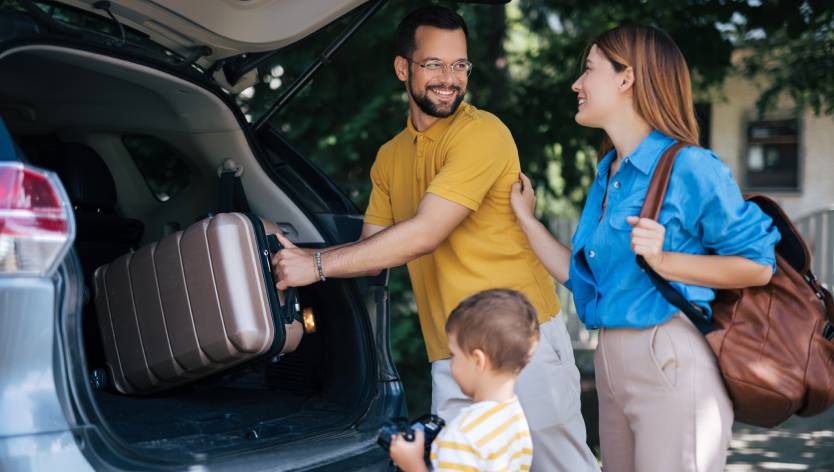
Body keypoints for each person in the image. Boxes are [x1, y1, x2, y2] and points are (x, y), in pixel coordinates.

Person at [271, 6, 599, 471]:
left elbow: (426, 232)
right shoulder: (389, 157)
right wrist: (300, 256)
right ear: (403, 68)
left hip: (520, 343)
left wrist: (316, 264)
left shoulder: (483, 134)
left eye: (460, 65)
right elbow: (372, 257)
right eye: (434, 65)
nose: (450, 78)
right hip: (452, 355)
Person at [510, 25, 781, 472]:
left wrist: (665, 260)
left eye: (588, 70)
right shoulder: (609, 173)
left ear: (626, 78)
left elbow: (758, 266)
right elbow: (581, 280)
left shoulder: (691, 166)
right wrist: (526, 220)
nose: (576, 84)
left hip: (669, 360)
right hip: (611, 365)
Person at [388, 289, 536, 472]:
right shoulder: (513, 415)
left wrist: (412, 464)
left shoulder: (461, 436)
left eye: (453, 355)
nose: (451, 364)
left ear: (478, 361)